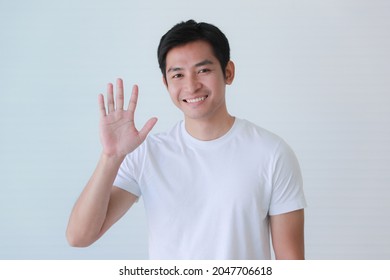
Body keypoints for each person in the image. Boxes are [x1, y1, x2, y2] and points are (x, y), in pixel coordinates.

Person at [66, 20, 306, 259]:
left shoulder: (271, 153)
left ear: (228, 72)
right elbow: (79, 236)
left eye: (203, 70)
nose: (191, 86)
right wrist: (111, 156)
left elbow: (291, 262)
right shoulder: (147, 153)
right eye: (178, 74)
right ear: (166, 83)